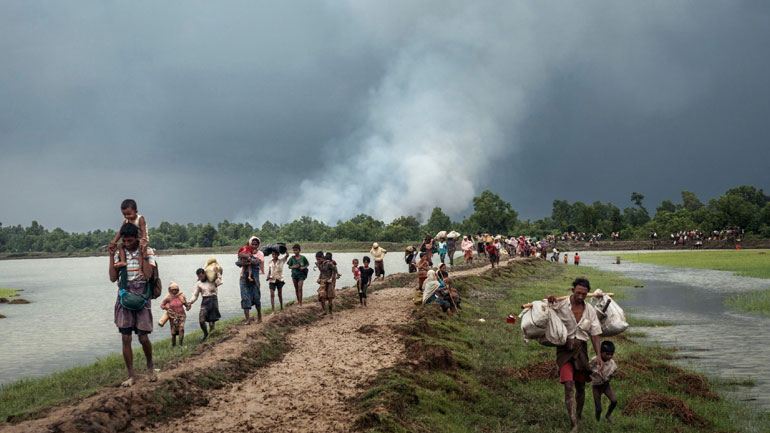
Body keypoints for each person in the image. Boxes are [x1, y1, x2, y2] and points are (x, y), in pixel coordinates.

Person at [546, 278, 604, 431]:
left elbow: (595, 334)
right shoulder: (561, 305)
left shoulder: (590, 310)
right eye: (578, 293)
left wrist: (598, 355)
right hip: (564, 351)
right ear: (572, 291)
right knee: (569, 385)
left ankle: (578, 415)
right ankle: (574, 424)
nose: (580, 296)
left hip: (581, 351)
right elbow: (546, 310)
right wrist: (549, 301)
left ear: (587, 294)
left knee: (581, 386)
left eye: (583, 294)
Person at [108, 222, 156, 387]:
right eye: (124, 241)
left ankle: (150, 366)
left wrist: (143, 254)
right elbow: (113, 278)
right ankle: (131, 375)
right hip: (125, 294)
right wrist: (111, 256)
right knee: (126, 337)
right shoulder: (119, 254)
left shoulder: (148, 251)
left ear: (137, 238)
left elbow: (148, 275)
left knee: (143, 337)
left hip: (142, 295)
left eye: (130, 241)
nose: (127, 244)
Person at [109, 199, 149, 279]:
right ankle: (123, 261)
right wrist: (114, 242)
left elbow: (143, 230)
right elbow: (120, 232)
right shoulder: (126, 221)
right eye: (124, 215)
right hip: (132, 239)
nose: (127, 216)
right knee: (120, 246)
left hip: (141, 239)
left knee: (140, 251)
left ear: (136, 211)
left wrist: (144, 239)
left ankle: (140, 269)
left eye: (129, 214)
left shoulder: (140, 219)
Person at [188, 267, 222, 342]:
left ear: (204, 274)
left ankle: (211, 338)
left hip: (213, 301)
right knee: (201, 320)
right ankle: (205, 334)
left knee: (211, 323)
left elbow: (219, 282)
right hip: (205, 301)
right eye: (199, 277)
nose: (200, 278)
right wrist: (190, 302)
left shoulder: (212, 280)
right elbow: (195, 295)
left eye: (201, 276)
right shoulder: (199, 283)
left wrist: (217, 273)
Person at [591, 341, 619, 424]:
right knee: (598, 409)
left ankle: (608, 415)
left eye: (611, 354)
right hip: (596, 386)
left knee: (614, 401)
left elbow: (615, 371)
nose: (609, 356)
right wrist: (593, 373)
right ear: (601, 353)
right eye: (607, 354)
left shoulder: (612, 363)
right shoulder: (594, 360)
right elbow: (588, 368)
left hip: (606, 385)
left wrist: (611, 376)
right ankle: (597, 421)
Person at [236, 240, 262, 324]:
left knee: (256, 298)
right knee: (245, 298)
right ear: (250, 245)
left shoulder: (259, 254)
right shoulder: (245, 252)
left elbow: (258, 262)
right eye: (252, 244)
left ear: (258, 245)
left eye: (256, 244)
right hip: (244, 279)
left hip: (254, 280)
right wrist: (245, 258)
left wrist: (249, 259)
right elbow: (238, 263)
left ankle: (259, 316)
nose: (254, 246)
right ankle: (247, 319)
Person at [160, 282, 187, 346]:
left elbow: (186, 304)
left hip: (182, 315)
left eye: (176, 289)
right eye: (173, 290)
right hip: (173, 316)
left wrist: (188, 306)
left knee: (181, 328)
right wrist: (166, 308)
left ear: (178, 289)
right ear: (170, 290)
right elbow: (162, 305)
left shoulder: (181, 296)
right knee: (173, 332)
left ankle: (180, 344)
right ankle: (173, 344)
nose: (174, 291)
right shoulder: (168, 297)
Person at [315, 251, 338, 316]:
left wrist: (332, 279)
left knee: (330, 297)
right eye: (317, 259)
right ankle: (324, 311)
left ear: (322, 257)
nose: (318, 260)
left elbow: (335, 270)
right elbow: (321, 272)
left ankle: (330, 312)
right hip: (323, 281)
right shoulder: (319, 264)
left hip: (329, 282)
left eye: (319, 259)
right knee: (321, 296)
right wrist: (319, 278)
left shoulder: (328, 263)